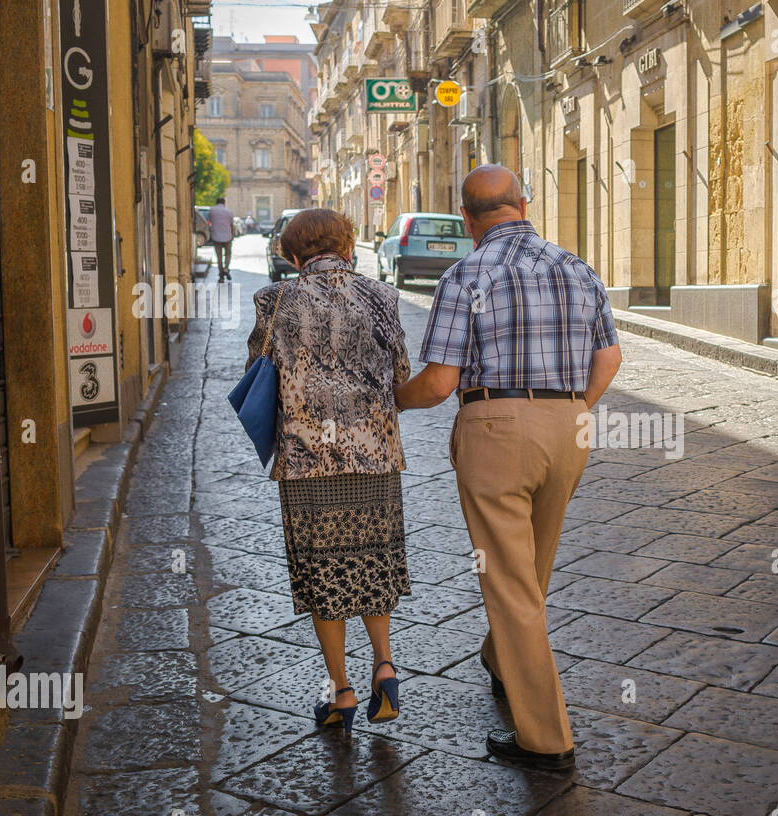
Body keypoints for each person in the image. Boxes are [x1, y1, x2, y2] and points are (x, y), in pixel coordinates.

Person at [396, 165, 622, 771]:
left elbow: (440, 383)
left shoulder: (465, 273)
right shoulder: (578, 268)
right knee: (534, 562)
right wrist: (569, 410)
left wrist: (391, 397)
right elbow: (609, 357)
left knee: (509, 579)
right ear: (523, 205)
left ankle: (546, 740)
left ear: (468, 220)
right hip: (569, 425)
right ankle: (502, 658)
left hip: (496, 429)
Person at [246, 208, 412, 736]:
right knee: (373, 561)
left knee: (324, 574)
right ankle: (384, 665)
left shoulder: (274, 301)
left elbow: (257, 370)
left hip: (305, 459)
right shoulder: (381, 297)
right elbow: (401, 373)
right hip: (374, 454)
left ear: (293, 255)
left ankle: (342, 691)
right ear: (347, 244)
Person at [208, 197, 236, 282]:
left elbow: (210, 221)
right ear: (224, 203)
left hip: (216, 236)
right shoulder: (229, 212)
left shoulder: (212, 210)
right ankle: (226, 269)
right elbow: (232, 225)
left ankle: (221, 275)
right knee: (228, 254)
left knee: (219, 256)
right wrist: (232, 235)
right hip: (227, 236)